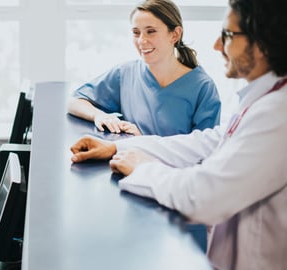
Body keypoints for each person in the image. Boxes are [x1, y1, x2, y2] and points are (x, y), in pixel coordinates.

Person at [70, 0, 287, 269]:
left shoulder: (277, 114)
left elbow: (204, 197)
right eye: (136, 32)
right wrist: (116, 148)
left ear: (263, 42)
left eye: (228, 35)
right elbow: (208, 141)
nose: (217, 46)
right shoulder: (262, 100)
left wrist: (143, 168)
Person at [68, 0, 221, 136]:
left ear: (175, 35)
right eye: (136, 33)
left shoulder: (203, 87)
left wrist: (142, 143)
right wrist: (99, 115)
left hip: (173, 169)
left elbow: (205, 152)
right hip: (127, 166)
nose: (141, 40)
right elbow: (74, 102)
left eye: (151, 31)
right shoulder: (125, 74)